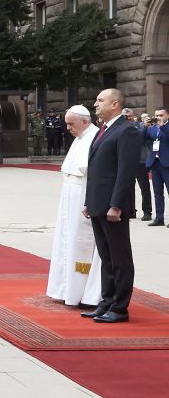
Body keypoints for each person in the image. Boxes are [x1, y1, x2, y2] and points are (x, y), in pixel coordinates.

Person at [81, 88, 142, 323]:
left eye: (100, 100)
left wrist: (116, 205)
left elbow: (125, 172)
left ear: (115, 104)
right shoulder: (104, 130)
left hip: (112, 206)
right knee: (106, 258)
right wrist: (89, 201)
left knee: (119, 258)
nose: (95, 104)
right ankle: (106, 301)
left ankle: (119, 307)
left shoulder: (127, 131)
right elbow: (96, 170)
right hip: (98, 203)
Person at [46, 105, 102, 307]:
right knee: (66, 239)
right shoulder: (79, 138)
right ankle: (64, 289)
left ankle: (81, 293)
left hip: (82, 194)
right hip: (70, 194)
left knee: (81, 242)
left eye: (71, 123)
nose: (67, 127)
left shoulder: (94, 137)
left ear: (85, 121)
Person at [124, 108, 153, 222]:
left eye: (129, 116)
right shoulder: (121, 128)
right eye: (125, 117)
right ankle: (131, 211)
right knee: (128, 187)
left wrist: (145, 126)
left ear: (133, 116)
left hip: (140, 161)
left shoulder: (141, 126)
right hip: (127, 161)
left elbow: (139, 138)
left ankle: (147, 211)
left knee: (144, 187)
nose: (127, 118)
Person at [146, 107, 169, 227]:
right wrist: (145, 126)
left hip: (167, 163)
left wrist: (163, 126)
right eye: (157, 115)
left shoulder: (166, 127)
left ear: (167, 116)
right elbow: (143, 138)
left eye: (161, 115)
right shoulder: (152, 128)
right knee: (157, 192)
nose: (158, 117)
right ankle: (159, 218)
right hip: (155, 163)